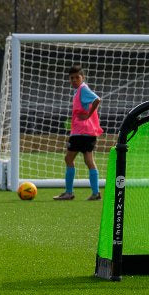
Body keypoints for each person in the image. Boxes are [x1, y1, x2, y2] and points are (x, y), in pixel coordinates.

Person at [54, 65, 103, 201]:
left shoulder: (83, 89)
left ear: (83, 78)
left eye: (77, 77)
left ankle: (69, 192)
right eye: (72, 78)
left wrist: (87, 115)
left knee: (69, 159)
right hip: (87, 132)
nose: (74, 80)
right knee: (88, 161)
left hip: (81, 132)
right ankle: (96, 193)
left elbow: (97, 99)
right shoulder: (79, 91)